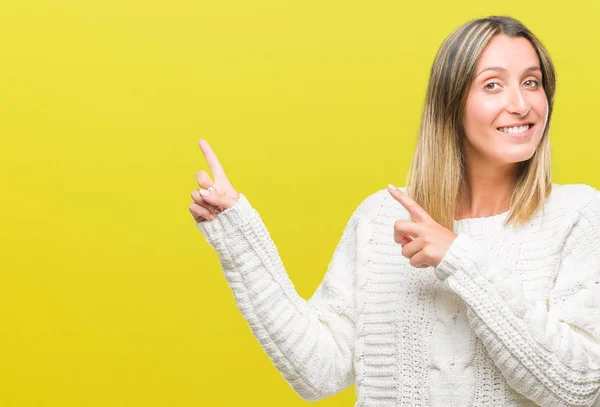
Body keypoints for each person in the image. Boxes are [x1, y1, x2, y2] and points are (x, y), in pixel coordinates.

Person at [189, 15, 600, 407]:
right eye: (492, 85)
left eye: (532, 83)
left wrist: (460, 258)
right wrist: (237, 237)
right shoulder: (380, 219)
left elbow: (577, 389)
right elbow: (318, 369)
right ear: (451, 102)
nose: (521, 104)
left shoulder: (578, 215)